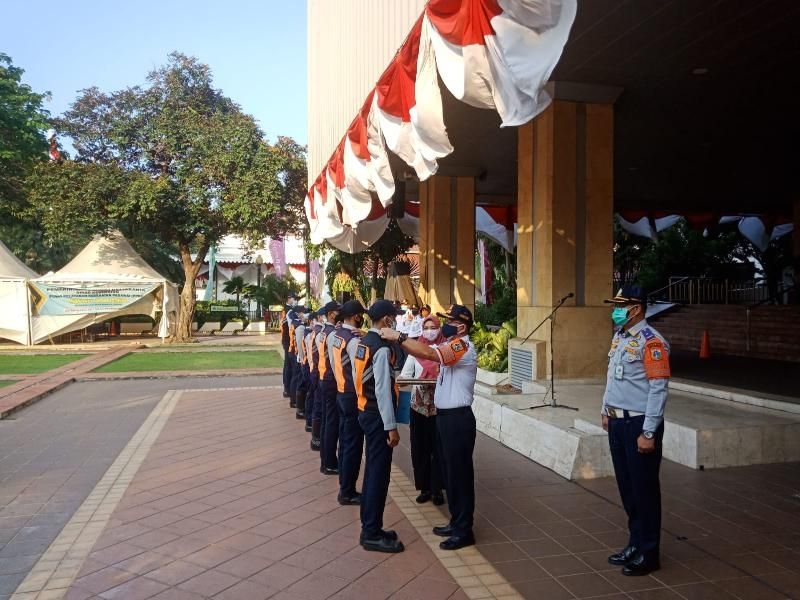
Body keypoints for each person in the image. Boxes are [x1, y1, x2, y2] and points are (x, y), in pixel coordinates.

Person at [380, 304, 477, 551]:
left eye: (450, 321)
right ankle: (456, 522)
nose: (445, 325)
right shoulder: (449, 345)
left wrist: (399, 336)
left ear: (462, 326)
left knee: (460, 476)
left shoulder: (461, 346)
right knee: (450, 473)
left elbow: (431, 355)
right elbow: (422, 351)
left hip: (457, 419)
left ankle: (464, 530)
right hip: (445, 417)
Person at [601, 285, 670, 576]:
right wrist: (606, 409)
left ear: (636, 309)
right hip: (617, 422)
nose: (616, 311)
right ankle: (635, 542)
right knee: (628, 489)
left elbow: (658, 389)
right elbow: (612, 379)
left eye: (621, 305)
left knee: (644, 490)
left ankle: (649, 552)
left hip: (639, 424)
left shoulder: (652, 342)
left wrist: (649, 432)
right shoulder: (620, 337)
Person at [354, 299, 406, 553]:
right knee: (378, 473)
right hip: (378, 417)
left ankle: (370, 525)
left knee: (373, 470)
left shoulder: (364, 342)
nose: (395, 321)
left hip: (365, 411)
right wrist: (391, 426)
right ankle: (371, 532)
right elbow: (384, 391)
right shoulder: (382, 349)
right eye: (393, 317)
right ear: (386, 320)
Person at [399, 315, 444, 506]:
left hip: (440, 407)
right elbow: (404, 375)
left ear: (439, 328)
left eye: (433, 327)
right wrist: (404, 381)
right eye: (426, 327)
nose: (430, 330)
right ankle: (424, 488)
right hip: (418, 407)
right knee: (419, 449)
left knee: (439, 449)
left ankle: (437, 489)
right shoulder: (415, 352)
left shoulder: (445, 350)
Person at [331, 300, 366, 505]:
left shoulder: (338, 335)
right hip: (352, 395)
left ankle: (344, 484)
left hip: (341, 391)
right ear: (355, 317)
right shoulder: (353, 340)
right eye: (361, 315)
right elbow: (358, 371)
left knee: (345, 441)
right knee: (353, 444)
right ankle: (348, 491)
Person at [317, 301, 342, 475]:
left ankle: (326, 460)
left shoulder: (322, 332)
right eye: (338, 311)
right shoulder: (332, 334)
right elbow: (335, 362)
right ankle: (330, 463)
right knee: (331, 423)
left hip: (323, 378)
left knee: (328, 421)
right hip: (331, 380)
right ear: (331, 314)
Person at [305, 310, 323, 437]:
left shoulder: (312, 333)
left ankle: (310, 424)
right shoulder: (318, 333)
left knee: (312, 397)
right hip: (316, 370)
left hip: (313, 368)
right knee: (316, 402)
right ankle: (315, 435)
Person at [281, 295, 298, 398]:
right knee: (289, 366)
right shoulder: (288, 311)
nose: (294, 300)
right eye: (293, 298)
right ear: (289, 298)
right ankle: (287, 389)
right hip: (288, 341)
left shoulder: (287, 310)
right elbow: (289, 327)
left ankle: (287, 388)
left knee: (288, 365)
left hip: (287, 340)